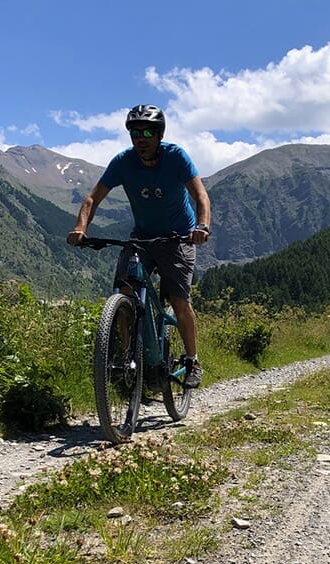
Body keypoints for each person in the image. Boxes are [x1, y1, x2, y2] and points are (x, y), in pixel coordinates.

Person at [66, 104, 212, 388]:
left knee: (181, 302)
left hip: (179, 237)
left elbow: (201, 196)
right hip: (142, 237)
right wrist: (80, 228)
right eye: (134, 132)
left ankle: (192, 360)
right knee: (124, 294)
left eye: (147, 132)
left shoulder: (176, 157)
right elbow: (92, 199)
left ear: (159, 134)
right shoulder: (123, 162)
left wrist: (202, 227)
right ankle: (128, 359)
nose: (140, 138)